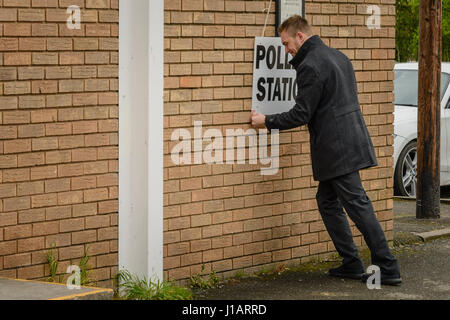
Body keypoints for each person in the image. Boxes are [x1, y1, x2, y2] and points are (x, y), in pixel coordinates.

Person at [251, 15, 402, 285]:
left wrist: (267, 121)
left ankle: (387, 266)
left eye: (287, 43)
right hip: (349, 140)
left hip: (337, 149)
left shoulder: (310, 65)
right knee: (328, 201)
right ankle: (351, 262)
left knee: (358, 205)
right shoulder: (339, 57)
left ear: (300, 36)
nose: (286, 50)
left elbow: (302, 113)